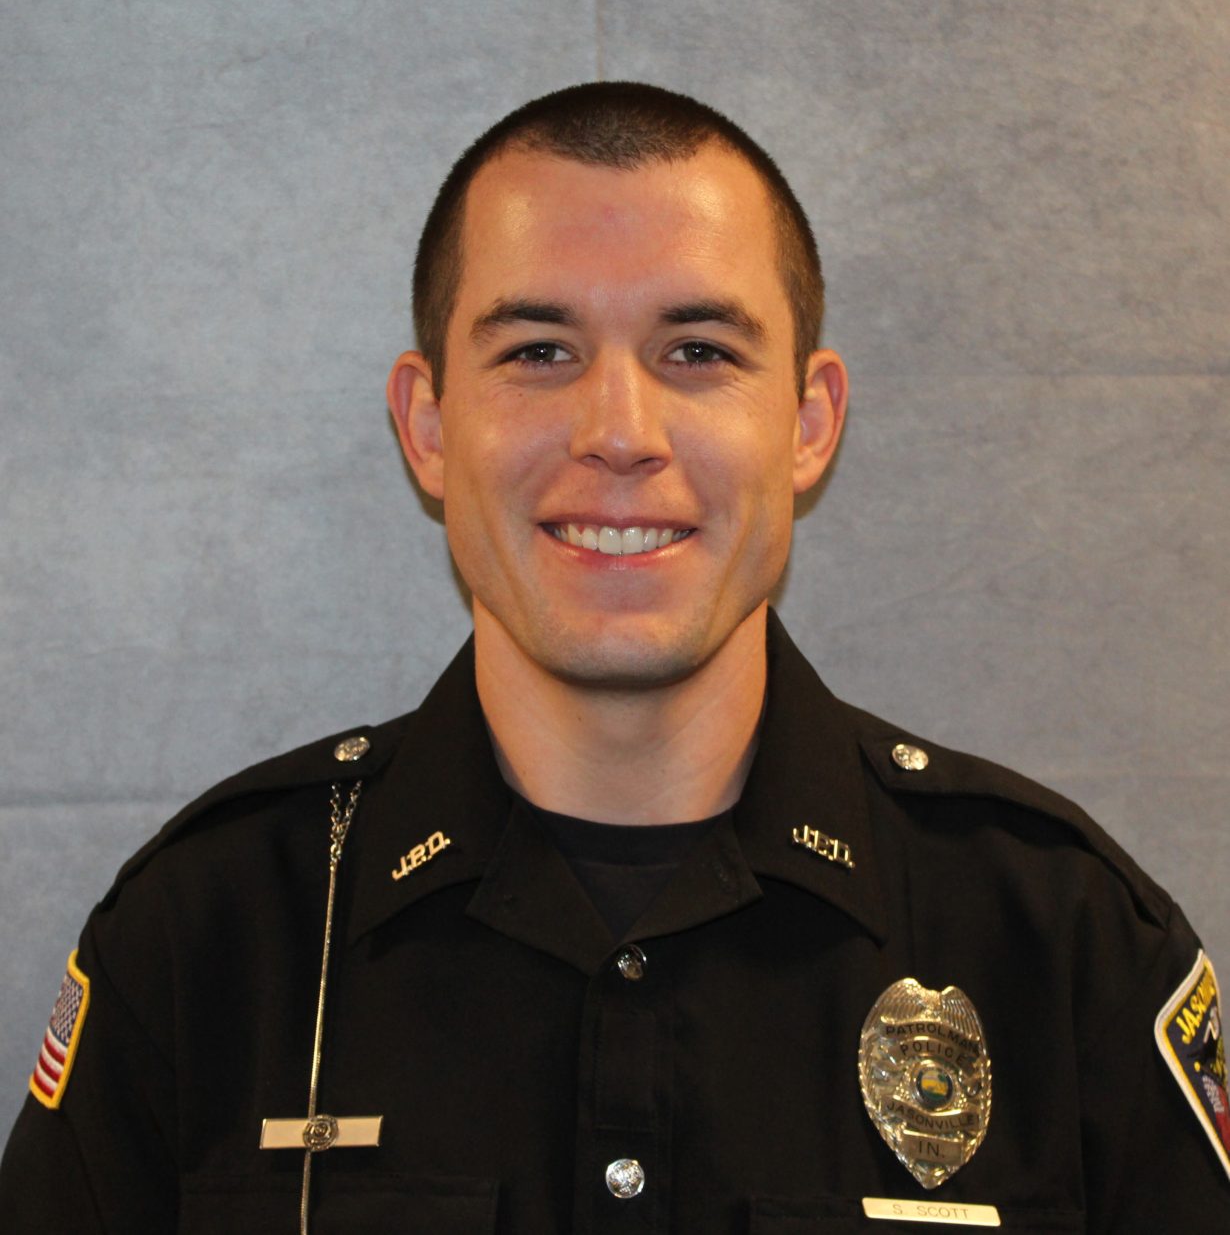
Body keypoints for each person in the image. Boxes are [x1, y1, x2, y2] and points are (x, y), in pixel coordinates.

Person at [1, 81, 1226, 1234]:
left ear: (808, 422)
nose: (621, 433)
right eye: (539, 350)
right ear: (429, 425)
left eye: (698, 351)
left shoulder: (1064, 941)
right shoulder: (207, 941)